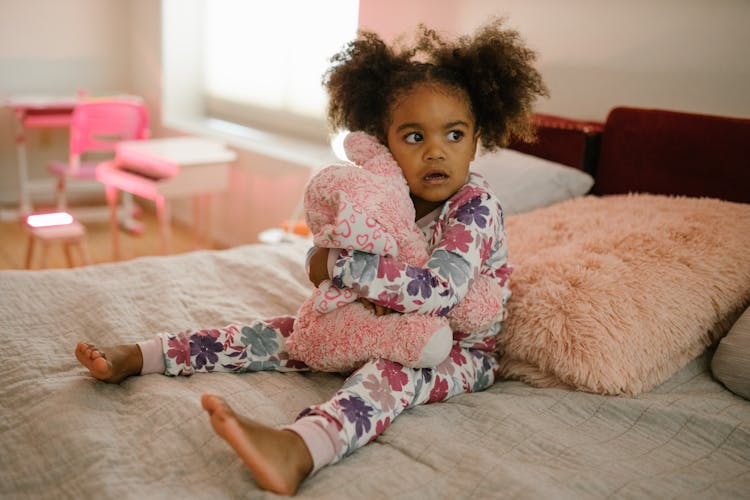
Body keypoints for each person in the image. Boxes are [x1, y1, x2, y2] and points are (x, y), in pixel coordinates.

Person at [74, 19, 547, 496]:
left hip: (458, 348)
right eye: (413, 137)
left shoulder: (475, 207)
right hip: (373, 321)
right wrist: (320, 263)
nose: (435, 153)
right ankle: (149, 355)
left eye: (454, 134)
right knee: (285, 333)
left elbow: (439, 292)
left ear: (476, 138)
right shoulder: (386, 192)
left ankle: (301, 447)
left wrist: (340, 267)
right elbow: (325, 253)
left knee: (392, 376)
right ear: (383, 143)